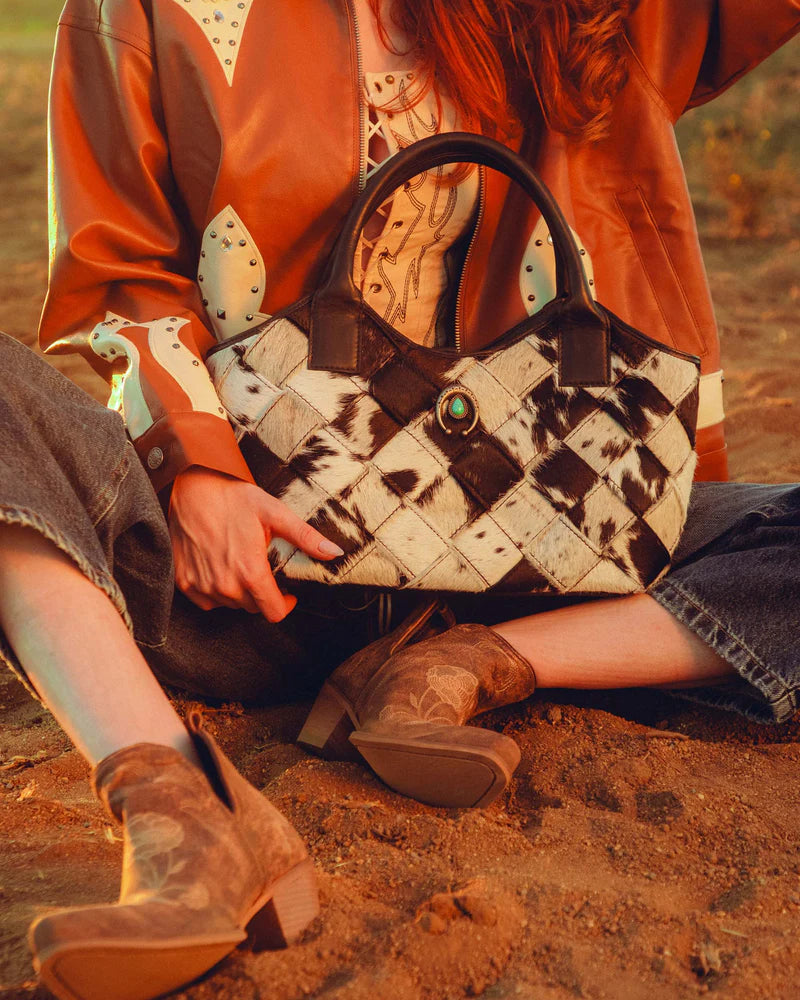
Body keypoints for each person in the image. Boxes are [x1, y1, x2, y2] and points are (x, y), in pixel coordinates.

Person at [1, 0, 798, 997]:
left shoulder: (578, 14)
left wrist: (486, 642)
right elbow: (115, 268)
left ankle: (460, 664)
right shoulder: (149, 11)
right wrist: (194, 464)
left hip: (538, 562)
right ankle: (183, 811)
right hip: (258, 573)